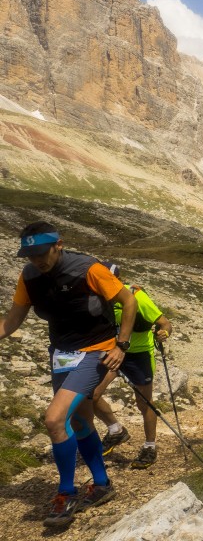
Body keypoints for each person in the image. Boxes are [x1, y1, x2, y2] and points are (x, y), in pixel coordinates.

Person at [0, 222, 136, 527]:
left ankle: (66, 493)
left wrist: (122, 345)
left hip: (96, 351)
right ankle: (101, 484)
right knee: (79, 420)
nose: (37, 259)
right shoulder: (29, 276)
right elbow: (11, 322)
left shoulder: (89, 268)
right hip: (62, 354)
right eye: (30, 254)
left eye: (41, 252)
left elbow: (129, 300)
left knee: (54, 419)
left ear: (58, 245)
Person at [92, 274, 174, 470]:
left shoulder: (137, 296)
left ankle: (150, 446)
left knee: (144, 403)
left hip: (139, 355)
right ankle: (116, 430)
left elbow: (165, 322)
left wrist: (165, 333)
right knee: (91, 394)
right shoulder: (97, 297)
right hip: (113, 353)